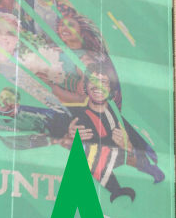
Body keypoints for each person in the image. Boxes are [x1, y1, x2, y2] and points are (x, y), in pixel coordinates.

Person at [51, 65, 162, 202]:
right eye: (93, 80)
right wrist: (67, 139)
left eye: (104, 82)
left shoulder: (122, 124)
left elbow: (148, 165)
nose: (99, 86)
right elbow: (48, 150)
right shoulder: (69, 114)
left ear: (111, 89)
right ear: (86, 85)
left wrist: (129, 149)